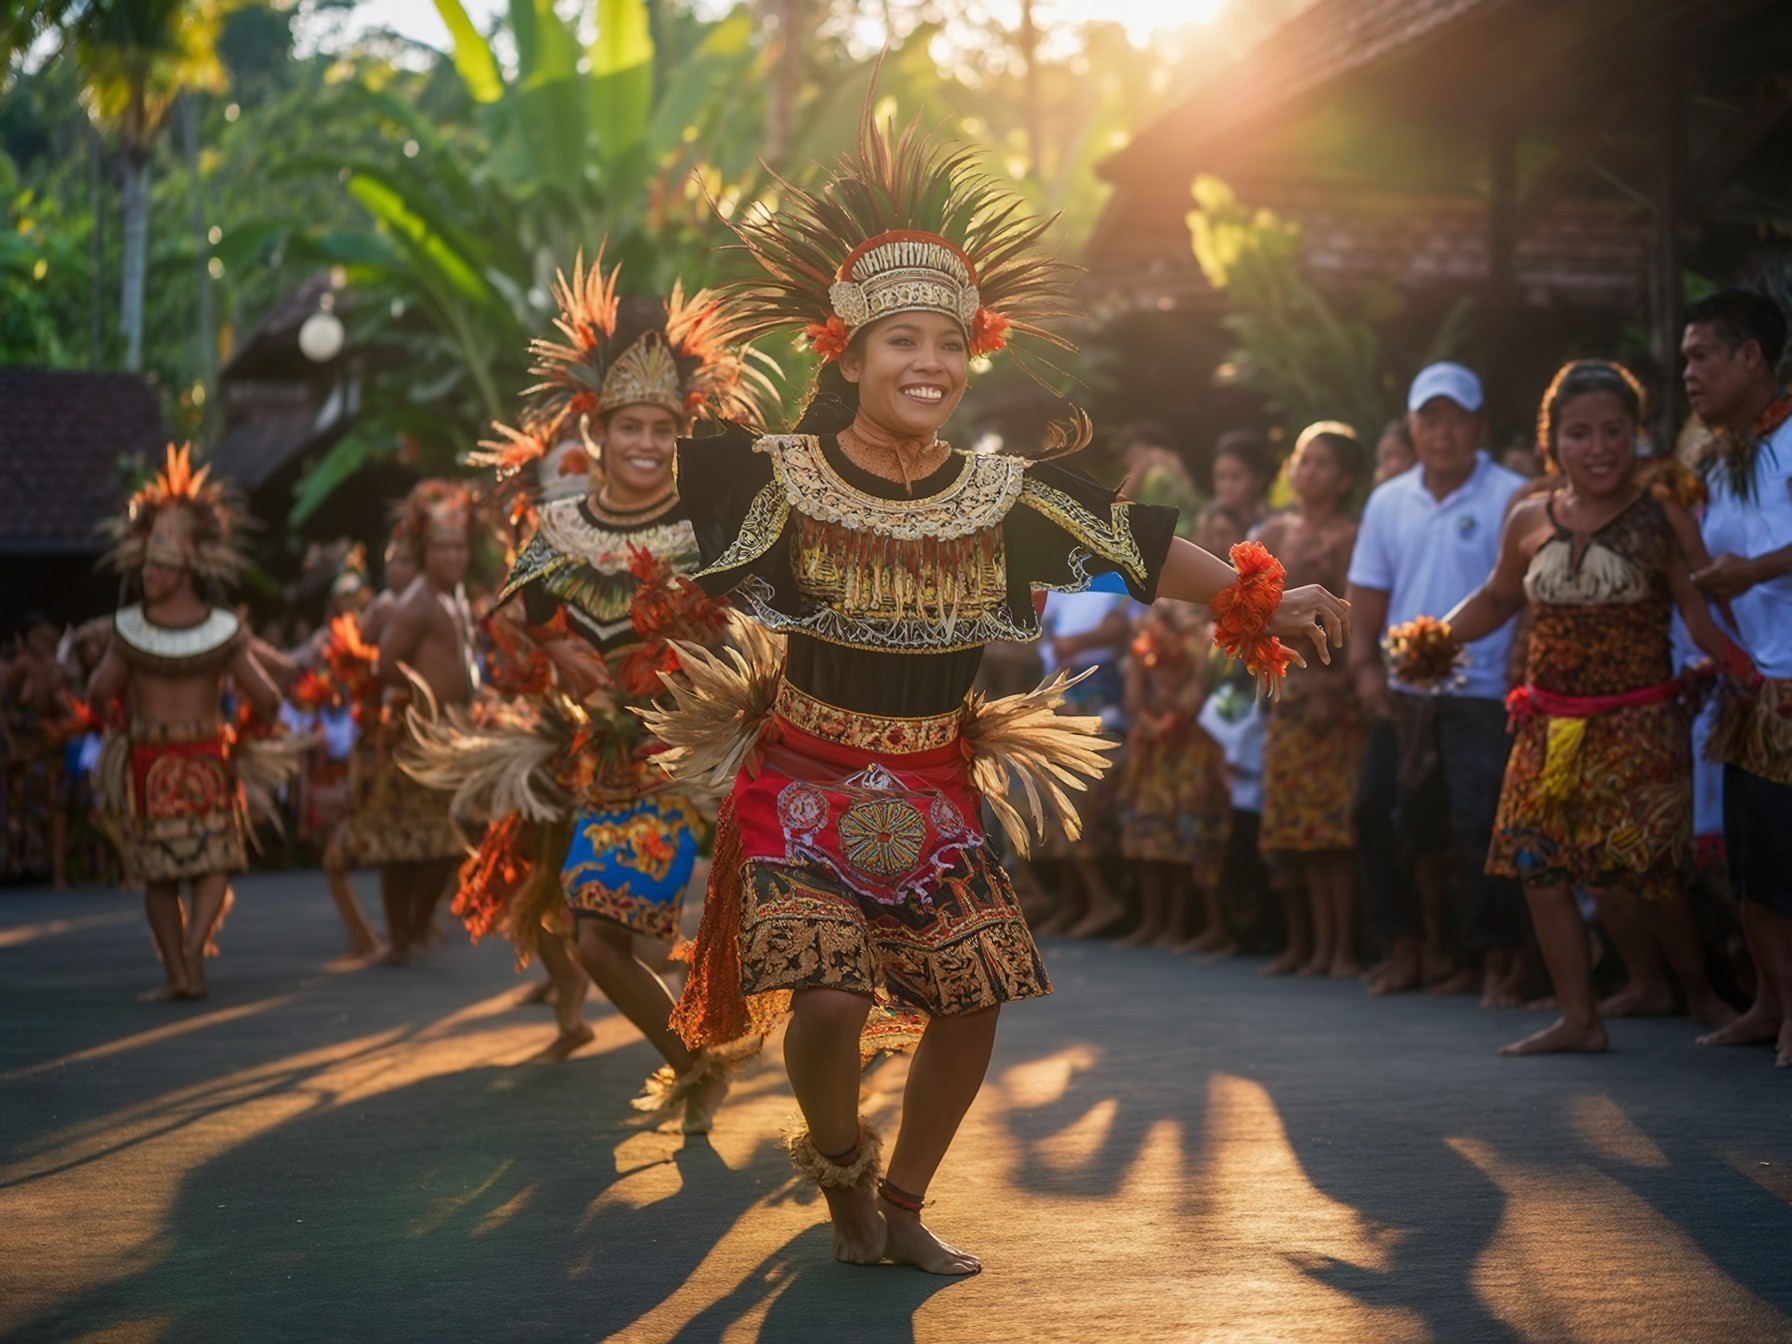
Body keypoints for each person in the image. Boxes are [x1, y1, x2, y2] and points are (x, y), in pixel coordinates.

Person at [646, 106, 1347, 1274]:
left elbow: (1134, 547)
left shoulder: (1004, 494)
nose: (927, 363)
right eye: (899, 343)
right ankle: (844, 1172)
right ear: (850, 356)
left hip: (932, 785)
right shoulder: (782, 477)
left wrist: (1260, 597)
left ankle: (907, 1206)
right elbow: (648, 488)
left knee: (973, 992)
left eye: (947, 345)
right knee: (821, 1002)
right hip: (802, 785)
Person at [409, 251, 768, 1123]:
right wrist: (552, 660)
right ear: (595, 434)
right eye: (628, 427)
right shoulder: (560, 528)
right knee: (602, 933)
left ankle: (698, 1061)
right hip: (591, 765)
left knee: (603, 936)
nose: (646, 443)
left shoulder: (707, 528)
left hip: (680, 765)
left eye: (661, 427)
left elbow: (756, 632)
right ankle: (699, 1057)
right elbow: (513, 626)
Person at [1433, 362, 1740, 1054]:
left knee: (1648, 872)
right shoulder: (1527, 518)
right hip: (1546, 725)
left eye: (1614, 431)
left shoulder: (1662, 515)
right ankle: (1580, 1018)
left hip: (1638, 722)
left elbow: (1698, 611)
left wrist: (1742, 671)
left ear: (1637, 435)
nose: (1599, 447)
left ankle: (1700, 996)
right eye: (1580, 434)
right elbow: (1496, 598)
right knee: (1539, 867)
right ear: (1553, 442)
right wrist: (1430, 637)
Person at [1347, 362, 1528, 1004]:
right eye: (1430, 418)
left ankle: (1495, 960)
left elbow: (1526, 598)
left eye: (1456, 418)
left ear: (1478, 424)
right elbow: (1367, 594)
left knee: (1485, 822)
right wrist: (1367, 670)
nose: (1442, 432)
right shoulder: (1388, 499)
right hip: (1405, 691)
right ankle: (1407, 948)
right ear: (1413, 426)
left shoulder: (1513, 493)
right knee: (1380, 815)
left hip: (1482, 691)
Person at [86, 445, 284, 1001]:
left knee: (188, 866)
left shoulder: (132, 634)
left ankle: (186, 962)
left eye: (160, 566)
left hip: (161, 760)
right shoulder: (217, 631)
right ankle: (185, 966)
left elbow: (97, 692)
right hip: (194, 759)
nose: (149, 574)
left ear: (187, 566)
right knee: (175, 868)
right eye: (146, 564)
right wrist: (247, 731)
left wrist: (119, 723)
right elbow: (266, 699)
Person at [1682, 289, 1792, 1068]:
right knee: (1753, 869)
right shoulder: (1716, 458)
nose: (1690, 373)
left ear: (1752, 356)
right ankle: (1769, 1003)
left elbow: (1742, 567)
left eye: (1703, 356)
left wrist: (1750, 570)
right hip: (1751, 694)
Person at [331, 482, 481, 966]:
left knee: (445, 839)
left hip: (448, 731)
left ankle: (413, 930)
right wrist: (423, 694)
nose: (452, 556)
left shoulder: (453, 596)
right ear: (425, 550)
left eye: (459, 546)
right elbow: (384, 664)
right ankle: (401, 938)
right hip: (416, 732)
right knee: (405, 843)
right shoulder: (417, 601)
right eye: (442, 547)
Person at [1258, 423, 1369, 978]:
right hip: (1284, 692)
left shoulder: (1350, 535)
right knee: (1289, 827)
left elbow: (1359, 615)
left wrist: (1346, 682)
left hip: (1332, 694)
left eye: (1323, 463)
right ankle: (1302, 945)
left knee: (1332, 830)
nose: (1308, 472)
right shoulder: (1273, 529)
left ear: (1345, 478)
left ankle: (1339, 948)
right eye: (1303, 460)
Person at [316, 528, 420, 962]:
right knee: (397, 849)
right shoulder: (393, 608)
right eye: (393, 559)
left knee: (353, 855)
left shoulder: (403, 609)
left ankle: (380, 937)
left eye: (406, 560)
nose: (396, 567)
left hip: (392, 746)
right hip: (378, 742)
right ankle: (399, 933)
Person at [2, 614, 74, 888]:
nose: (46, 641)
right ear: (27, 638)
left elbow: (66, 708)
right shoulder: (19, 666)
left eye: (50, 637)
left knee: (57, 810)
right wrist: (11, 739)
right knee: (19, 811)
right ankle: (22, 871)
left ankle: (58, 875)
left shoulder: (57, 671)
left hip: (48, 751)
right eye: (40, 636)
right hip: (20, 753)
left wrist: (65, 720)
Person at [1194, 429, 1275, 541]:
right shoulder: (1208, 521)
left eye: (1235, 477)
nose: (1227, 486)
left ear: (1259, 478)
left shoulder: (1271, 524)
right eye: (1221, 477)